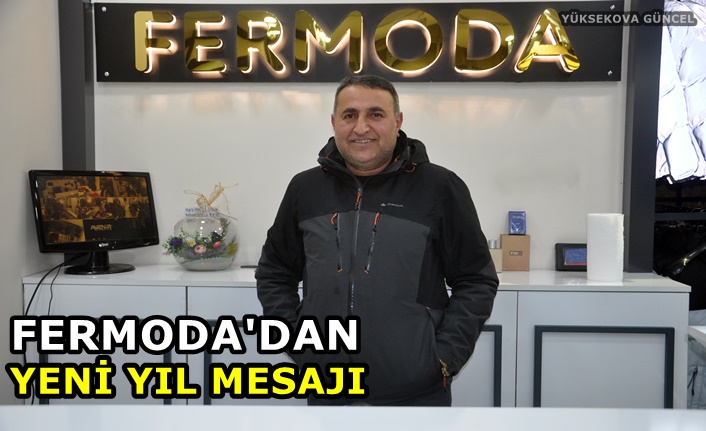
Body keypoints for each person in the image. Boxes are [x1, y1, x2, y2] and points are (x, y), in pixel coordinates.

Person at [256, 75, 498, 406]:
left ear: (397, 122)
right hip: (327, 389)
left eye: (376, 114)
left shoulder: (440, 187)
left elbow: (476, 280)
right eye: (350, 115)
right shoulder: (305, 189)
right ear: (334, 123)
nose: (361, 127)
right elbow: (275, 273)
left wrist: (443, 359)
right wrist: (299, 343)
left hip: (416, 393)